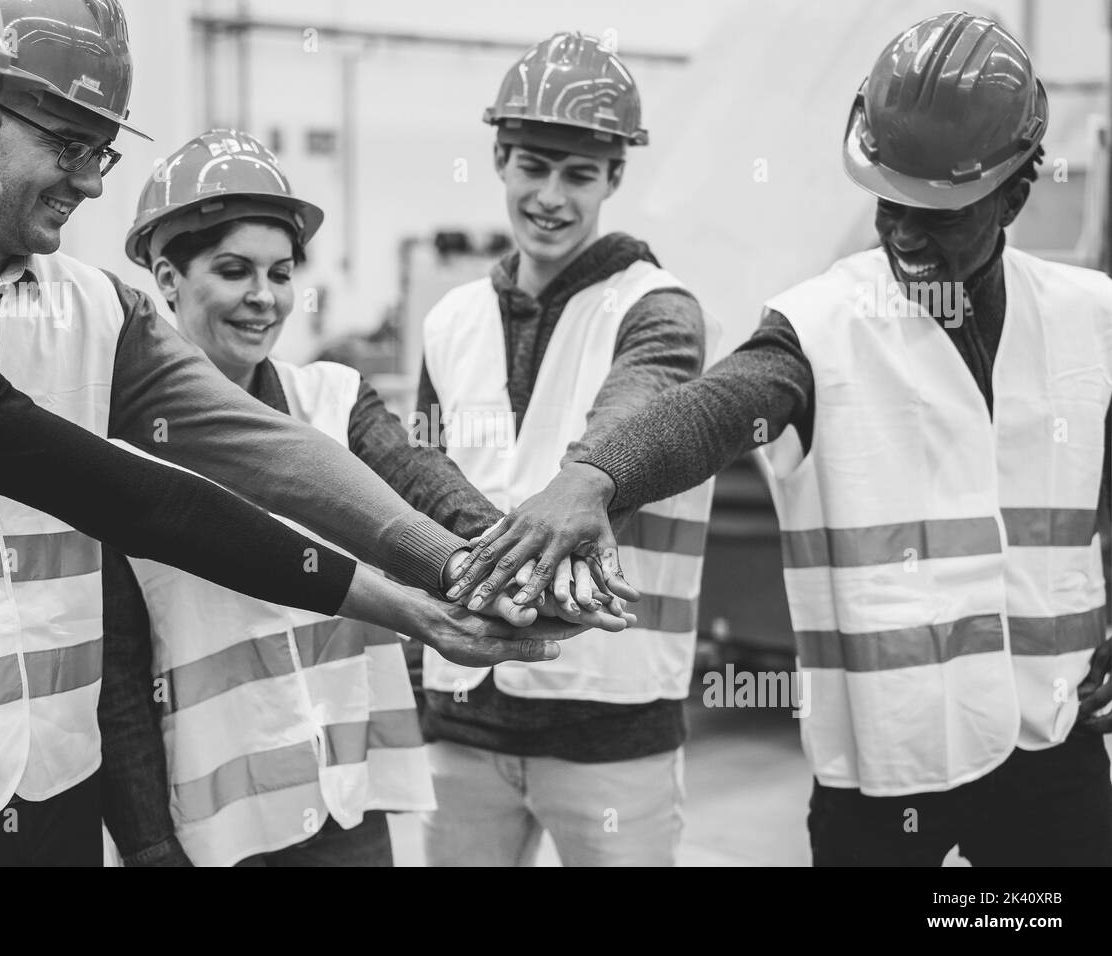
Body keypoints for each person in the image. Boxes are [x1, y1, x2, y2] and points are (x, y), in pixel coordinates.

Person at [0, 0, 568, 867]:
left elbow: (252, 460)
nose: (91, 181)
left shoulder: (89, 313)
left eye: (104, 153)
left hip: (55, 780)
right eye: (64, 145)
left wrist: (448, 569)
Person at [454, 12, 1112, 865]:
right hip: (889, 762)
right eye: (886, 201)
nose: (903, 233)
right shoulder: (821, 324)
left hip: (1049, 735)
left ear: (1016, 194)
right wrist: (595, 476)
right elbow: (716, 408)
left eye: (936, 212)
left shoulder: (1088, 320)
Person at [101, 130, 633, 867]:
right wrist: (149, 848)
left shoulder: (333, 399)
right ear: (166, 275)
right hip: (223, 832)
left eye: (281, 273)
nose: (264, 297)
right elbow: (121, 680)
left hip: (349, 806)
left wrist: (531, 560)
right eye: (233, 271)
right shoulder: (123, 453)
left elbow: (430, 490)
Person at [415, 32, 718, 867]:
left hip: (611, 719)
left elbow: (636, 411)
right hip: (463, 712)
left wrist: (586, 480)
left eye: (579, 174)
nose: (551, 196)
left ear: (614, 177)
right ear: (501, 160)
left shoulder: (659, 310)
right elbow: (422, 483)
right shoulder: (449, 323)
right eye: (534, 167)